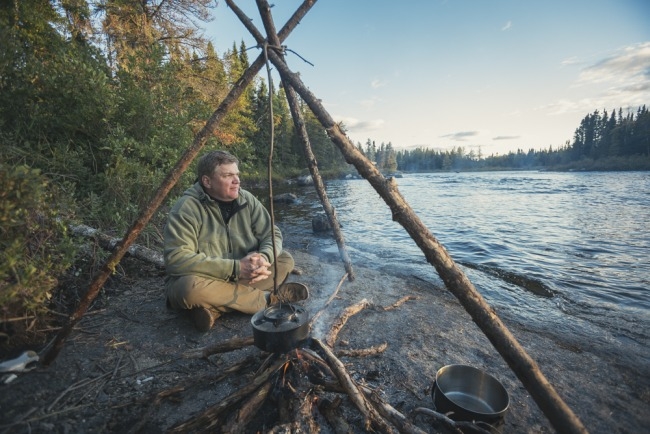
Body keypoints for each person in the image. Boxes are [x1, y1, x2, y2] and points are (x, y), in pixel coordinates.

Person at [163, 150, 306, 332]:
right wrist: (236, 268)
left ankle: (213, 309)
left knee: (284, 260)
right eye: (228, 176)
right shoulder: (186, 208)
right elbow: (176, 259)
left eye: (236, 174)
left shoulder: (247, 199)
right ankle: (269, 300)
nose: (237, 180)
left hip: (240, 277)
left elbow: (272, 234)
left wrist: (263, 256)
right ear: (207, 181)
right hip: (205, 278)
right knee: (188, 289)